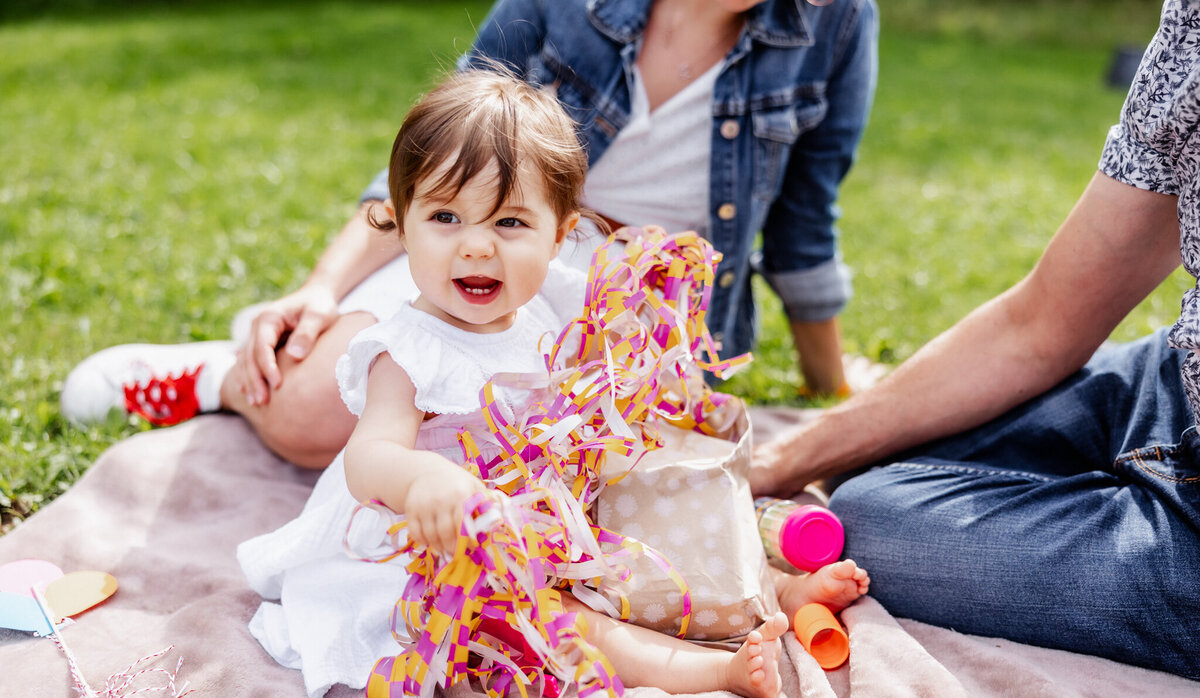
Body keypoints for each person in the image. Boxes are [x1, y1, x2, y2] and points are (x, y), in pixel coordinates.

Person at [236, 68, 871, 698]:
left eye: (510, 223)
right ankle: (708, 671)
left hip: (555, 517)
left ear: (561, 236)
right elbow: (368, 458)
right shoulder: (406, 351)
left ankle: (772, 591)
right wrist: (421, 480)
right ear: (401, 228)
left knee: (660, 511)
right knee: (564, 617)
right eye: (446, 217)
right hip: (454, 558)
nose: (477, 246)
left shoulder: (546, 314)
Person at [60, 0, 879, 470]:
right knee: (319, 417)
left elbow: (806, 221)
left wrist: (829, 384)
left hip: (630, 312)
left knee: (564, 470)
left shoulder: (838, 21)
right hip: (487, 245)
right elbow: (431, 170)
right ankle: (222, 377)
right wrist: (321, 289)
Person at [752, 0, 1200, 680]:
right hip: (1170, 383)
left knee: (867, 521)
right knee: (872, 457)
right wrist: (779, 460)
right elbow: (1044, 320)